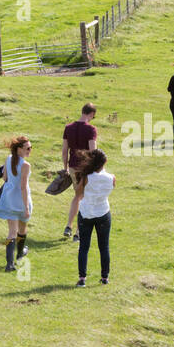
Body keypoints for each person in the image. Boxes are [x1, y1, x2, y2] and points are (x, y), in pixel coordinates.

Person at [74, 149, 114, 286]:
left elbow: (78, 193)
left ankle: (82, 278)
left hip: (86, 212)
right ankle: (104, 277)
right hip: (103, 212)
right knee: (104, 247)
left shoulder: (86, 177)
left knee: (84, 247)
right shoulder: (111, 178)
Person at [0, 135, 33, 272]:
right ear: (19, 149)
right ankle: (20, 254)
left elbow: (5, 178)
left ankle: (9, 264)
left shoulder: (8, 159)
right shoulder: (26, 165)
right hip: (21, 200)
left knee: (11, 232)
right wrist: (26, 207)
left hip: (8, 199)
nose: (30, 150)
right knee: (22, 230)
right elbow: (23, 187)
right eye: (28, 148)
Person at [61, 103, 98, 241]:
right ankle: (78, 231)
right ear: (92, 114)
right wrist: (95, 169)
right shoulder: (91, 129)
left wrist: (65, 168)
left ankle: (68, 226)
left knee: (77, 196)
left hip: (72, 167)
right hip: (85, 168)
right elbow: (92, 152)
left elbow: (65, 151)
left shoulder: (68, 127)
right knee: (85, 198)